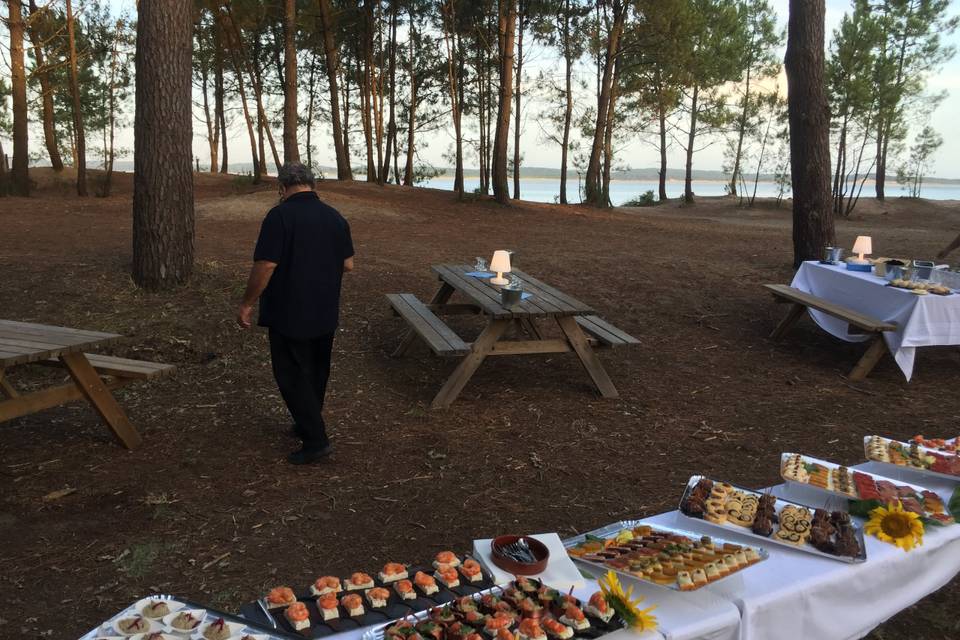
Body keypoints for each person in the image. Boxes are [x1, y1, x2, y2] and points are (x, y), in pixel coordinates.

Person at [236, 162, 355, 465]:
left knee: (291, 374)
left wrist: (247, 302)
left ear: (282, 187)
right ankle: (307, 421)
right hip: (325, 308)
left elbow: (265, 265)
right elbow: (348, 264)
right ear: (313, 185)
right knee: (316, 369)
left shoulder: (279, 217)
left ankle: (315, 441)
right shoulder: (335, 217)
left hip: (290, 310)